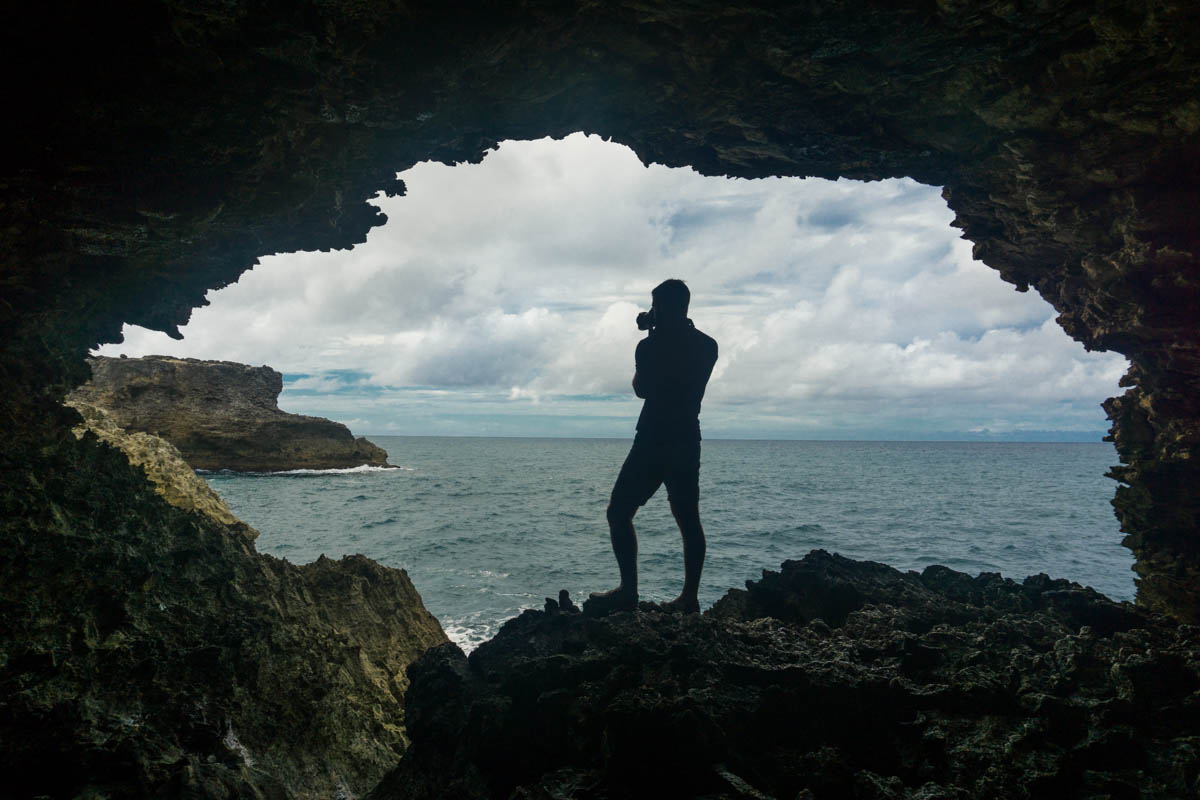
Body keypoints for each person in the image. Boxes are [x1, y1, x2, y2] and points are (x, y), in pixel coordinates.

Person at [584, 279, 718, 616]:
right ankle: (689, 598)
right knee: (688, 519)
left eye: (655, 306)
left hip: (652, 438)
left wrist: (648, 335)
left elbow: (642, 389)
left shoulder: (649, 347)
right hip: (687, 437)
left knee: (619, 512)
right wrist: (657, 329)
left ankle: (628, 590)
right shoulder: (707, 346)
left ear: (662, 308)